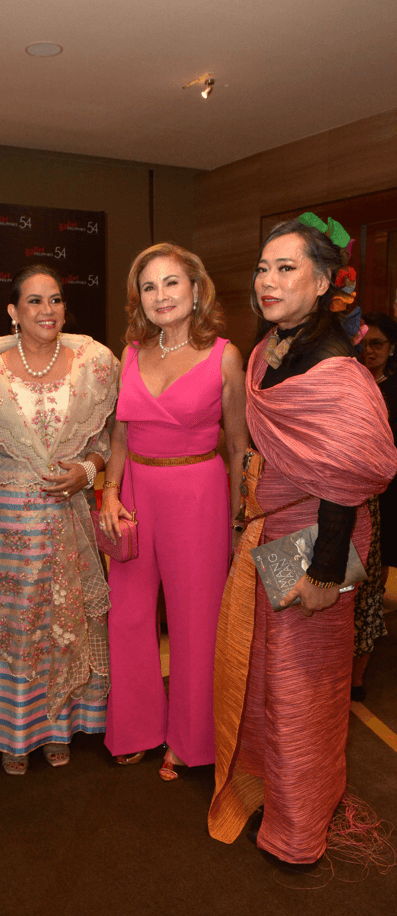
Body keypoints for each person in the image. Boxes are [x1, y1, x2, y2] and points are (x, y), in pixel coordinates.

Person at [207, 217, 397, 865]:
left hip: (318, 538)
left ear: (321, 283)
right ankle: (271, 790)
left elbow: (347, 478)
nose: (267, 280)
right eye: (263, 267)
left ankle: (297, 829)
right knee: (266, 671)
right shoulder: (270, 347)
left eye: (286, 268)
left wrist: (323, 575)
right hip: (275, 527)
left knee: (302, 687)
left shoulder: (335, 367)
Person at [99, 242, 249, 780]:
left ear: (195, 289)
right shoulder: (131, 353)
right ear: (138, 298)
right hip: (136, 492)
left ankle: (190, 738)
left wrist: (239, 521)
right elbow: (120, 434)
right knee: (128, 615)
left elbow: (239, 447)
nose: (160, 295)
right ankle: (136, 726)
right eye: (149, 286)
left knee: (195, 621)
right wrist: (110, 491)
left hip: (198, 494)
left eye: (171, 283)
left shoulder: (225, 356)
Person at [0, 264, 118, 775]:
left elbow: (107, 440)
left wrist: (86, 471)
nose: (47, 310)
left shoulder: (95, 363)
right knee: (15, 626)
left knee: (65, 622)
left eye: (55, 299)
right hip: (6, 526)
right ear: (13, 311)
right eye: (34, 301)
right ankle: (13, 734)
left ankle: (60, 728)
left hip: (68, 517)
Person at [351, 312, 397, 698]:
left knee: (370, 580)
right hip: (350, 493)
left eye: (377, 344)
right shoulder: (348, 382)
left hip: (385, 492)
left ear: (391, 348)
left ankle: (357, 673)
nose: (370, 351)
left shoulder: (391, 388)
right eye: (364, 344)